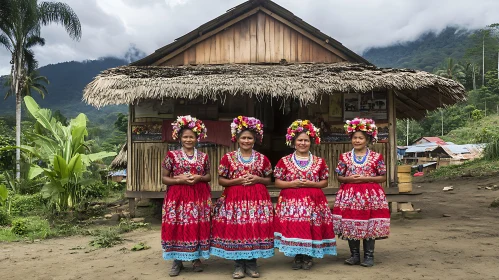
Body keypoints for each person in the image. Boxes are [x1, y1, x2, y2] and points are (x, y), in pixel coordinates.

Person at [210, 116, 274, 279]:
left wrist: (258, 179)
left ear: (255, 139)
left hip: (256, 200)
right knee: (238, 230)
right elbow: (221, 180)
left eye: (250, 138)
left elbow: (269, 179)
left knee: (254, 229)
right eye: (243, 137)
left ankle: (252, 265)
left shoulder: (262, 158)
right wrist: (236, 181)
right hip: (234, 200)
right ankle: (238, 265)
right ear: (237, 139)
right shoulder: (228, 158)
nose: (246, 140)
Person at [273, 119, 337, 270]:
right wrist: (291, 184)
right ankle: (297, 256)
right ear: (293, 142)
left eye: (306, 140)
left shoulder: (319, 162)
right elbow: (277, 182)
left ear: (311, 142)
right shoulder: (284, 161)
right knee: (296, 227)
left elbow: (324, 182)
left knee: (311, 226)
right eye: (300, 140)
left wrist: (311, 184)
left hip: (313, 201)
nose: (303, 143)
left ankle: (308, 257)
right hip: (291, 202)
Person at [332, 117, 390, 267]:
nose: (357, 140)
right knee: (351, 223)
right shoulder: (344, 157)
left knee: (369, 224)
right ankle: (354, 256)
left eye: (361, 138)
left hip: (370, 196)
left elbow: (383, 176)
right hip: (349, 195)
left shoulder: (376, 157)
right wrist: (350, 179)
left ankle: (369, 256)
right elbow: (339, 176)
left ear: (368, 139)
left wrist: (365, 178)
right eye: (355, 137)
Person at [161, 115, 211, 277]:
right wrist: (179, 179)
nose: (188, 139)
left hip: (198, 195)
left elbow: (208, 176)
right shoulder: (171, 156)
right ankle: (177, 261)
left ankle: (196, 259)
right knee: (178, 225)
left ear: (197, 138)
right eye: (185, 136)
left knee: (196, 225)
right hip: (178, 196)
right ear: (180, 138)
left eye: (192, 136)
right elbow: (164, 178)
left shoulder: (203, 157)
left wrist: (199, 178)